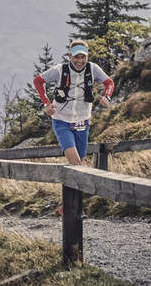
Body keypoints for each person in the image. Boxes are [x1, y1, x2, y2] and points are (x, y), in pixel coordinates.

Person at [32, 40, 114, 215]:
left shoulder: (93, 69)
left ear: (87, 56)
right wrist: (46, 103)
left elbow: (109, 83)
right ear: (70, 56)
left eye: (83, 56)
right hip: (62, 121)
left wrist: (107, 97)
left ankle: (67, 207)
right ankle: (77, 209)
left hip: (83, 122)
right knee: (76, 163)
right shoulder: (59, 70)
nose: (80, 60)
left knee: (79, 166)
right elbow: (38, 81)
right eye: (76, 56)